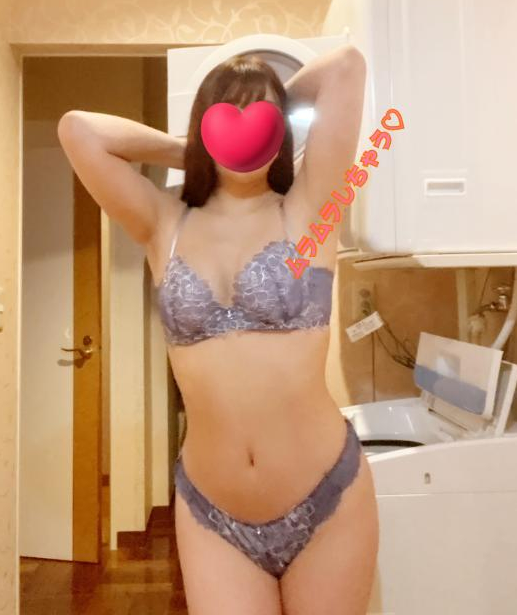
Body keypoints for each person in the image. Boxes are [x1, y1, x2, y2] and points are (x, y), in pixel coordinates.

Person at [57, 46, 379, 615]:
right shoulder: (164, 222)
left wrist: (268, 120)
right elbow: (78, 130)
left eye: (261, 116)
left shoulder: (310, 207)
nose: (246, 125)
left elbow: (346, 66)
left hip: (327, 496)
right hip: (213, 511)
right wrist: (190, 147)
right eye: (228, 114)